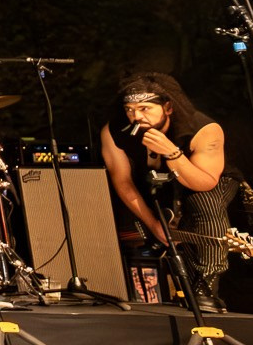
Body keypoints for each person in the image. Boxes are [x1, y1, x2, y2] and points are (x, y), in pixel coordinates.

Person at [99, 71, 235, 312]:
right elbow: (123, 182)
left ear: (168, 107)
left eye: (144, 108)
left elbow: (204, 182)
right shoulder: (115, 131)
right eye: (130, 109)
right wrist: (154, 225)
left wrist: (171, 152)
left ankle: (206, 286)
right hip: (152, 184)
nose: (136, 116)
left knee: (204, 203)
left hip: (205, 181)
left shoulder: (203, 128)